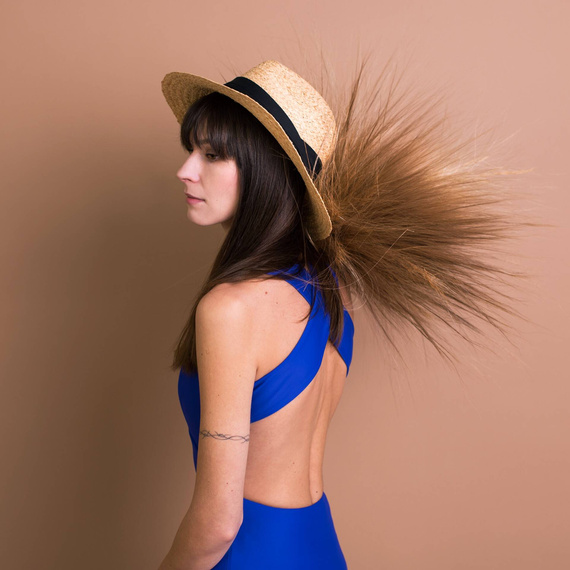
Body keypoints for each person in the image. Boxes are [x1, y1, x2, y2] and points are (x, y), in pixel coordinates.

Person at [157, 59, 521, 569]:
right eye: (191, 149)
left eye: (213, 155)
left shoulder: (230, 309)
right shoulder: (330, 292)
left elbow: (219, 522)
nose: (186, 169)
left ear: (269, 173)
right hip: (319, 548)